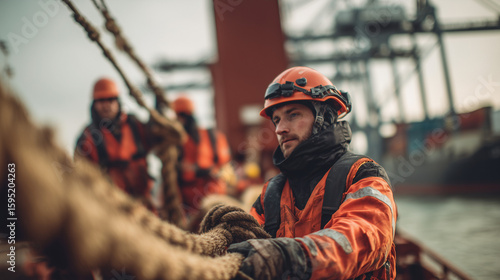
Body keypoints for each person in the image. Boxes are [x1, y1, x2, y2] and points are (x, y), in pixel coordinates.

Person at [227, 66, 397, 279]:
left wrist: (291, 256)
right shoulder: (271, 192)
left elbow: (366, 239)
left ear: (324, 117)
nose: (280, 129)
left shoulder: (363, 175)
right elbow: (248, 236)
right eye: (277, 120)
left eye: (293, 115)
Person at [74, 77, 156, 212]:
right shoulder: (87, 139)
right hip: (110, 212)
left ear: (118, 102)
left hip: (146, 208)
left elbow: (159, 137)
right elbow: (79, 178)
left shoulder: (136, 125)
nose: (106, 105)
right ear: (94, 104)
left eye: (111, 100)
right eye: (101, 100)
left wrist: (156, 100)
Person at [172, 95, 233, 216]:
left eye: (183, 116)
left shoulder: (213, 137)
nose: (181, 121)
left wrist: (200, 170)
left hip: (214, 198)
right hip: (187, 204)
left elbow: (224, 166)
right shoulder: (175, 142)